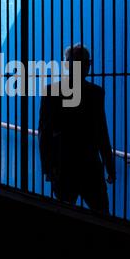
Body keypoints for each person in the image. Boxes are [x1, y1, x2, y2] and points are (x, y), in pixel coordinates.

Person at [38, 44, 116, 215]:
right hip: (90, 167)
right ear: (89, 64)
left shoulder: (52, 91)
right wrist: (109, 166)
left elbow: (44, 133)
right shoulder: (95, 93)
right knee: (103, 216)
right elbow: (102, 133)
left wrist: (48, 168)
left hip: (63, 166)